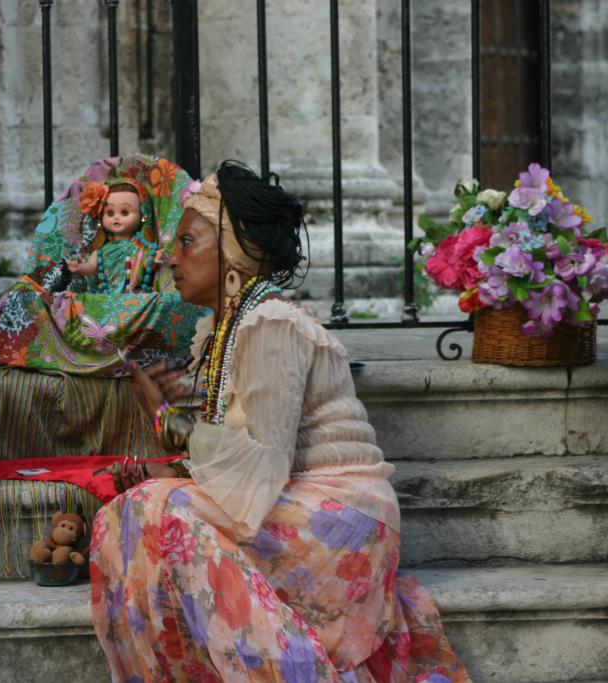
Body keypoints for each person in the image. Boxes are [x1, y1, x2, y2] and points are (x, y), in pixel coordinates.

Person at [89, 161, 469, 682]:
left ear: (234, 254)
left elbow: (261, 465)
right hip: (298, 501)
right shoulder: (227, 326)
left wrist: (164, 418)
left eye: (186, 242)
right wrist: (179, 462)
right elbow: (241, 453)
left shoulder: (271, 322)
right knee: (139, 509)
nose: (168, 257)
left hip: (342, 514)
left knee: (153, 508)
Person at [66, 178, 165, 293]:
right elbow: (91, 267)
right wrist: (79, 267)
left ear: (143, 214)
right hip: (108, 298)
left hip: (136, 298)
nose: (116, 218)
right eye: (110, 213)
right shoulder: (101, 251)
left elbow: (146, 265)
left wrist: (153, 260)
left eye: (124, 212)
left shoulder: (142, 248)